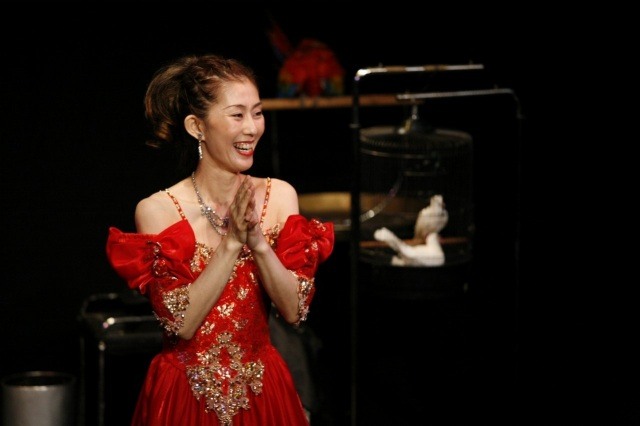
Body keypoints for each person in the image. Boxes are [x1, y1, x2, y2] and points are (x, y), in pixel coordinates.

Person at [105, 53, 335, 426]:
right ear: (197, 126)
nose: (252, 128)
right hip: (185, 394)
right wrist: (231, 243)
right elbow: (181, 323)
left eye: (257, 113)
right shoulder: (159, 210)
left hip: (261, 390)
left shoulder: (279, 196)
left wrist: (257, 242)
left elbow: (295, 311)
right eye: (237, 115)